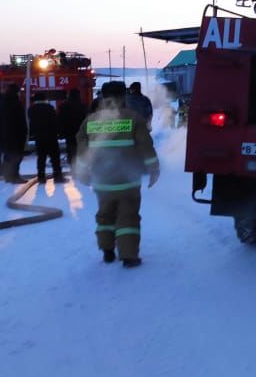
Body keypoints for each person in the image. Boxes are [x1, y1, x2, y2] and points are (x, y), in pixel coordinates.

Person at [76, 81, 159, 267]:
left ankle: (107, 250)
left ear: (102, 97)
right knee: (127, 217)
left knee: (105, 215)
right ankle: (129, 256)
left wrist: (81, 171)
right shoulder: (133, 119)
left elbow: (82, 151)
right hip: (127, 181)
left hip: (102, 182)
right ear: (123, 97)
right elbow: (146, 147)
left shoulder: (90, 122)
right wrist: (154, 169)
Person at [28, 95, 64, 183]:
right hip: (51, 136)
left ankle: (41, 176)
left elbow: (31, 123)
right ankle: (58, 175)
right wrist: (59, 132)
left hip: (39, 137)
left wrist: (33, 134)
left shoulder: (31, 109)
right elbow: (55, 121)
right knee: (55, 157)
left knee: (41, 157)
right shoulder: (49, 108)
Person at [0, 84, 28, 184]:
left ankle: (7, 176)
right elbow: (19, 120)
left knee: (8, 155)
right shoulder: (15, 103)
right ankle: (15, 176)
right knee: (17, 156)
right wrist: (24, 131)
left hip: (6, 133)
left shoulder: (3, 102)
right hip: (16, 134)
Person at [56, 88, 87, 168]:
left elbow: (60, 119)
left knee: (70, 147)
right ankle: (81, 166)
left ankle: (72, 165)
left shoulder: (63, 106)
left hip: (69, 131)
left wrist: (60, 132)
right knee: (80, 148)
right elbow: (86, 119)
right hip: (80, 130)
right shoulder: (83, 106)